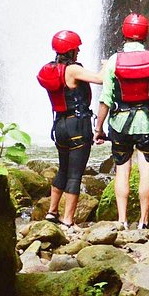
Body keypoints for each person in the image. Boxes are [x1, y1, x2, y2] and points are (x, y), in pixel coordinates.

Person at [94, 13, 149, 229]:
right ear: (145, 34)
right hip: (148, 124)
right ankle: (143, 221)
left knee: (122, 169)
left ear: (124, 33)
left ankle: (121, 220)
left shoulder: (114, 61)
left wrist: (98, 128)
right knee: (147, 168)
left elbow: (105, 100)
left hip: (120, 124)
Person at [37, 30, 102, 227]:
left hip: (59, 125)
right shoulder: (72, 70)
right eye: (76, 48)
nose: (79, 50)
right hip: (77, 124)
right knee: (75, 174)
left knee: (62, 170)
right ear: (70, 50)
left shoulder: (50, 69)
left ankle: (52, 211)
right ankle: (67, 219)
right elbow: (100, 79)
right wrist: (108, 66)